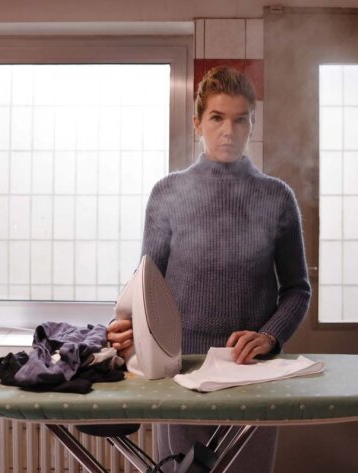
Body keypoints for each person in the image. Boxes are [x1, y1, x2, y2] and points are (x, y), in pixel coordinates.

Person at [106, 66, 311, 472]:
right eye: (217, 118)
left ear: (252, 125)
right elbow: (147, 286)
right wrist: (123, 326)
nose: (228, 131)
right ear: (197, 123)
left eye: (240, 120)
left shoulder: (276, 197)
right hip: (179, 369)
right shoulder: (168, 193)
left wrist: (270, 335)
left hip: (251, 371)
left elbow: (297, 289)